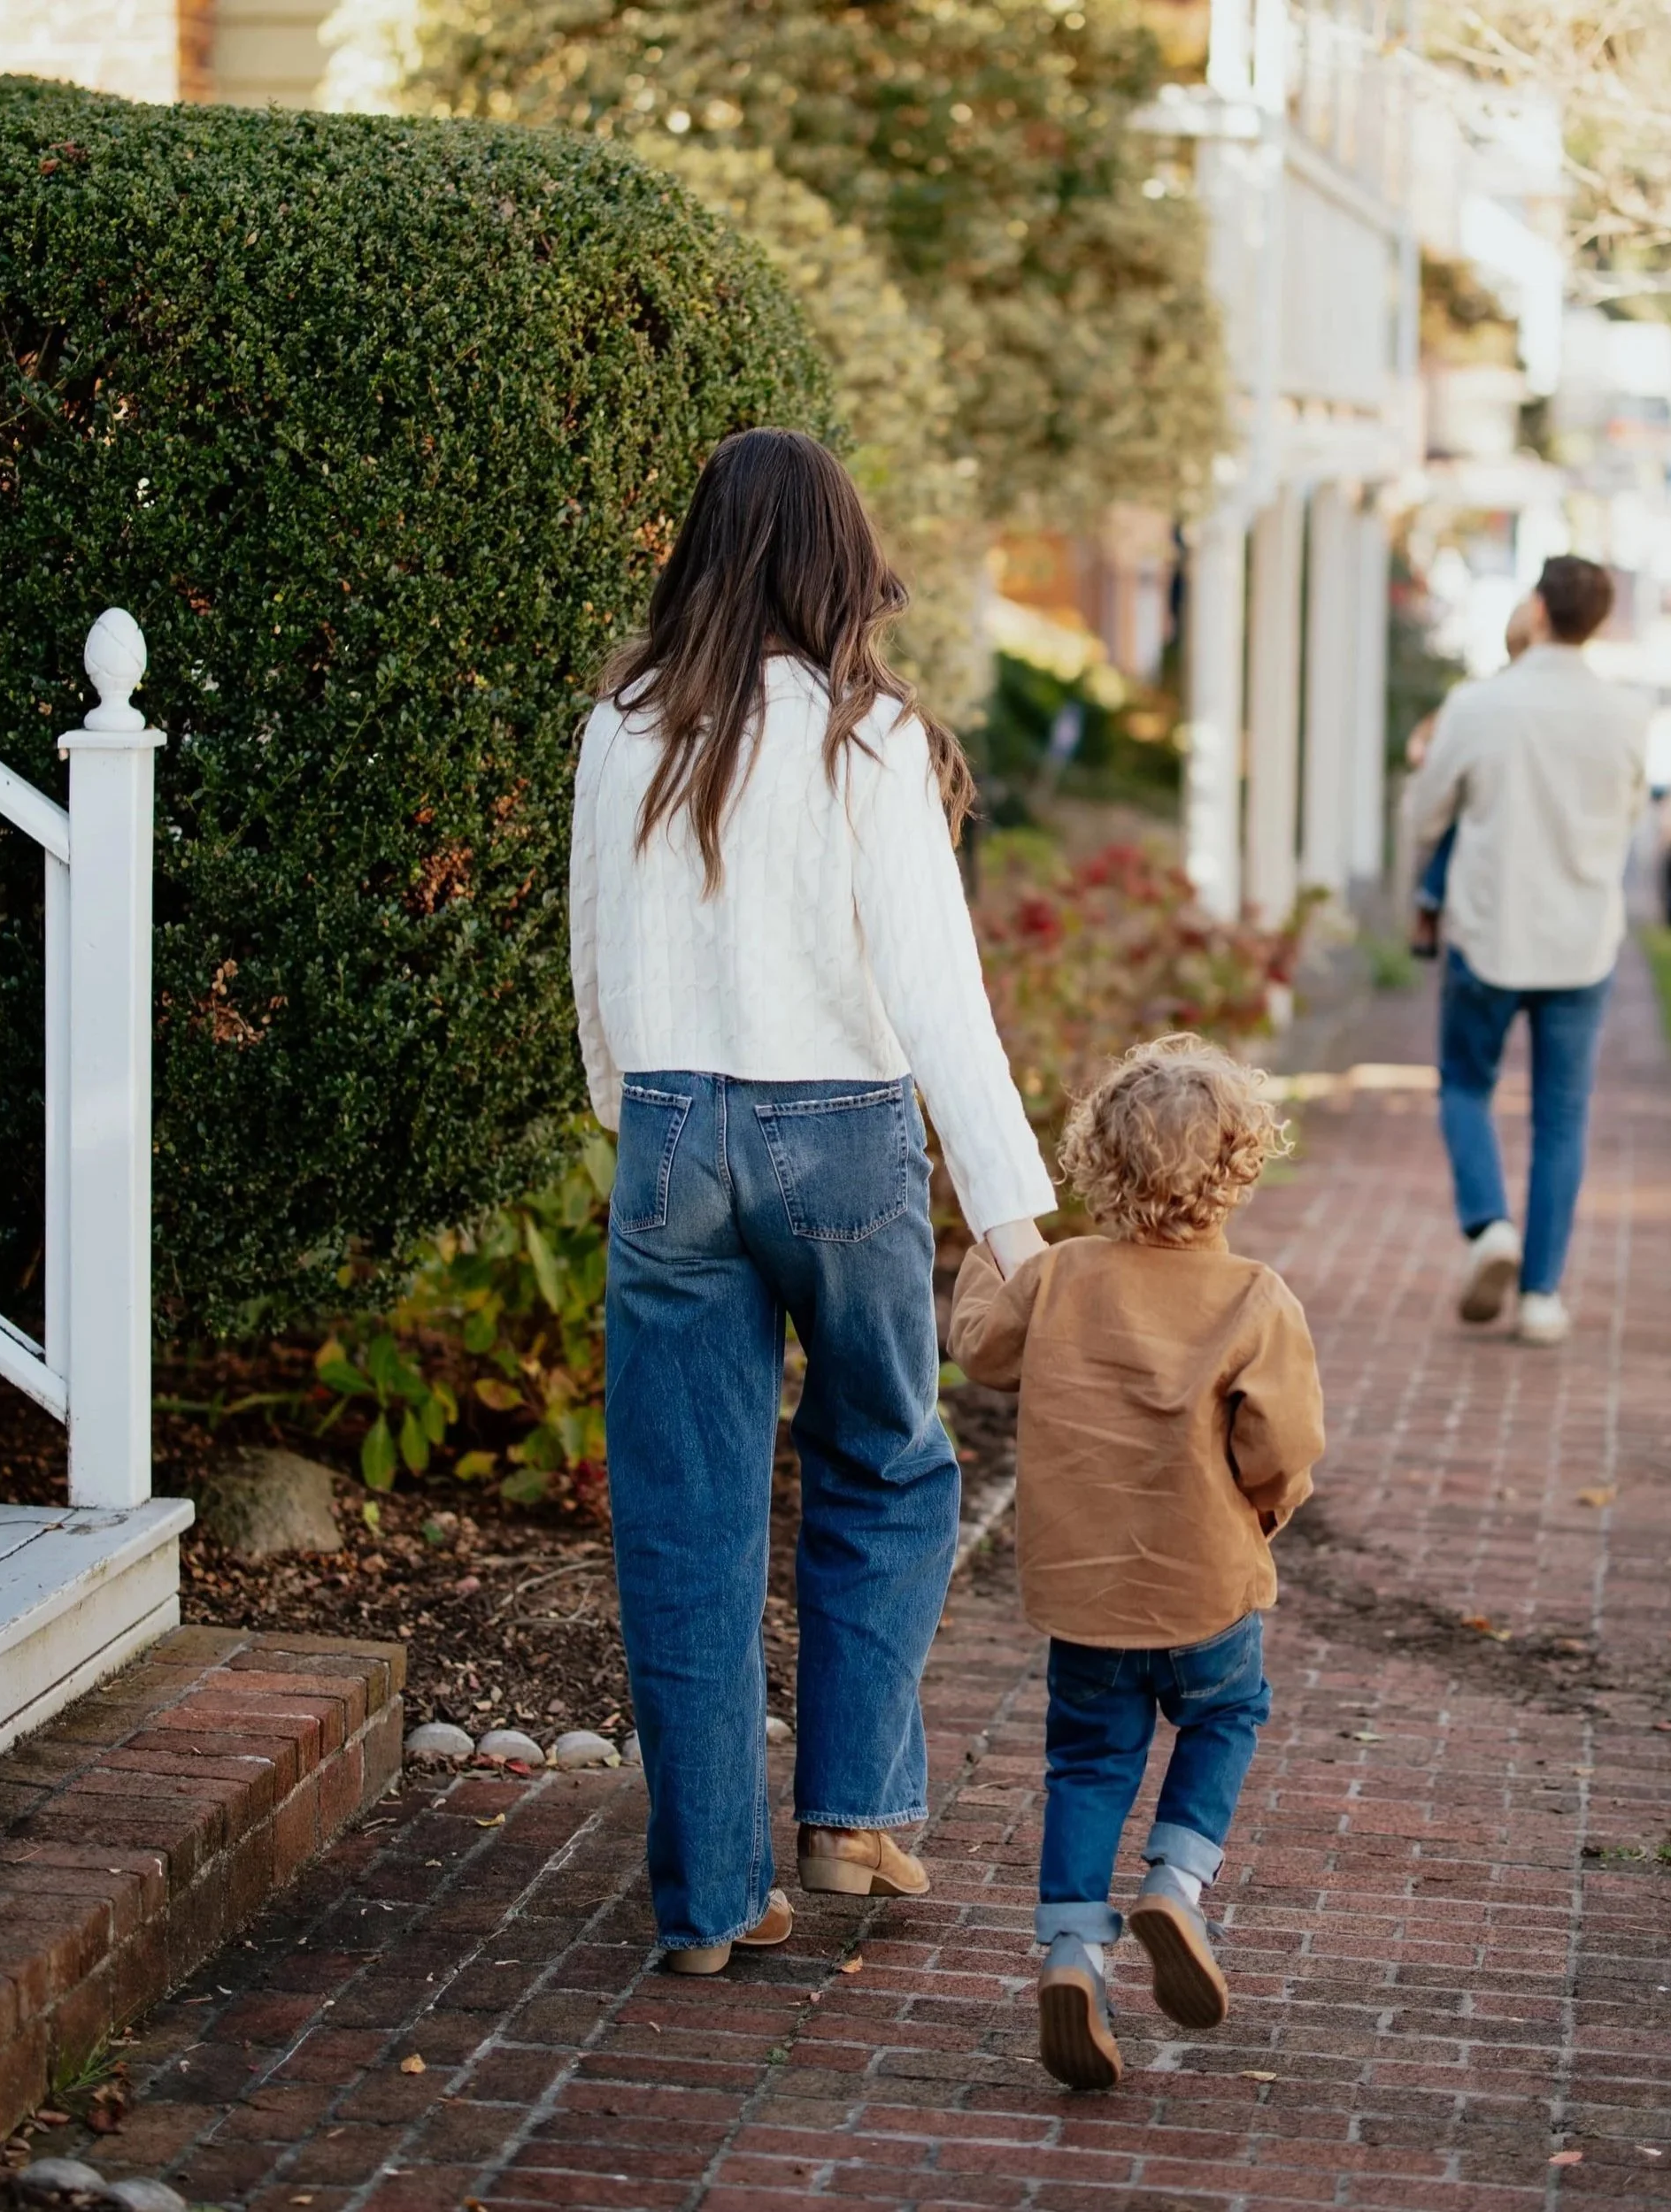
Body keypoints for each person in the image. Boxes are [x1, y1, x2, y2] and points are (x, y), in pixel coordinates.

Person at [568, 427, 1055, 1973]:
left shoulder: (624, 725)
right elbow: (936, 995)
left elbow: (593, 957)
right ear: (838, 559)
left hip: (672, 1129)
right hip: (842, 1133)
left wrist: (639, 1113)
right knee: (887, 1465)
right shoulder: (869, 736)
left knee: (684, 1518)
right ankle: (850, 1816)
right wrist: (1014, 1221)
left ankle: (711, 1904)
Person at [948, 1035, 1325, 2092]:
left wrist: (988, 1243)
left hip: (1088, 1597)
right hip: (1207, 1588)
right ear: (1240, 1166)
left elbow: (978, 1346)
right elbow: (1283, 1447)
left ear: (1096, 1164)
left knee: (1087, 1761)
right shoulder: (1254, 1298)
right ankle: (1175, 1880)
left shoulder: (1059, 1277)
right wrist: (1267, 1509)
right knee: (1226, 1714)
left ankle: (1073, 1952)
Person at [1403, 555, 1648, 1348]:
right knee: (1562, 1118)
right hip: (1583, 941)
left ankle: (1489, 1225)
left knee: (1464, 1086)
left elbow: (1425, 815)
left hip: (1490, 932)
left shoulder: (1480, 705)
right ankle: (1542, 1297)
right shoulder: (1628, 714)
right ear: (1596, 622)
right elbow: (1630, 818)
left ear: (1538, 609)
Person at [1408, 598, 1540, 961]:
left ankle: (1430, 903)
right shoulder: (1484, 698)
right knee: (1459, 827)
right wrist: (1422, 749)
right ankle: (1429, 902)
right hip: (1485, 804)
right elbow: (1430, 732)